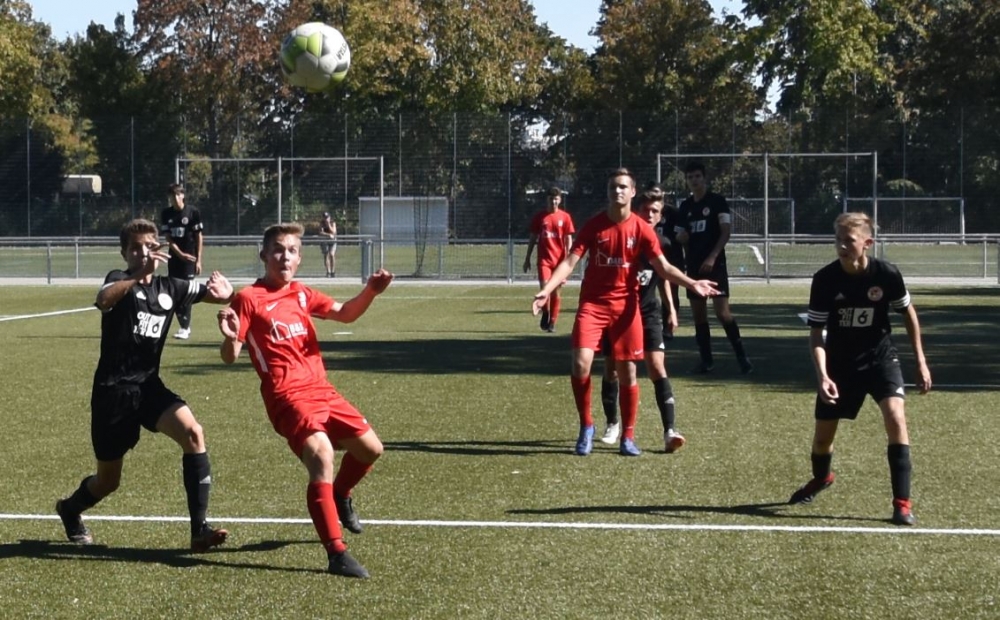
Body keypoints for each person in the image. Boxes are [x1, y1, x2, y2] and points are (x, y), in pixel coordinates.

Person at [216, 223, 393, 578]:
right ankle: (336, 553)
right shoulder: (248, 298)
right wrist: (231, 337)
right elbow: (230, 356)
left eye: (292, 251)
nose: (285, 256)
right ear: (264, 255)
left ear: (299, 258)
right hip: (286, 397)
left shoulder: (301, 293)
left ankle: (340, 494)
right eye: (278, 249)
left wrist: (371, 291)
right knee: (322, 455)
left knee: (371, 450)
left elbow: (345, 314)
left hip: (322, 390)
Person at [55, 218, 232, 552]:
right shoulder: (119, 280)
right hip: (113, 393)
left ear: (159, 249)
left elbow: (213, 294)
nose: (143, 252)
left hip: (149, 387)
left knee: (193, 433)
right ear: (124, 253)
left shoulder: (171, 287)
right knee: (108, 481)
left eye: (149, 246)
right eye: (134, 248)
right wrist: (137, 275)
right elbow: (103, 300)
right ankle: (70, 508)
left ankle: (199, 531)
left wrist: (228, 294)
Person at [532, 168, 718, 457]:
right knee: (580, 363)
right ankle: (586, 426)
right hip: (593, 305)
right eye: (613, 187)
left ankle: (628, 437)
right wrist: (547, 290)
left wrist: (692, 283)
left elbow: (663, 268)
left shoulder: (642, 229)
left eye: (622, 187)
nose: (617, 191)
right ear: (608, 192)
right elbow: (569, 262)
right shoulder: (594, 225)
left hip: (626, 309)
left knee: (628, 371)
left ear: (632, 192)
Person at [788, 212, 931, 526]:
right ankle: (822, 478)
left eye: (849, 240)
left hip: (881, 359)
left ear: (867, 243)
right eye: (838, 240)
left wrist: (920, 361)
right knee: (822, 441)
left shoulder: (886, 274)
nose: (842, 246)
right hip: (840, 365)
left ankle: (902, 504)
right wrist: (823, 375)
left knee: (896, 418)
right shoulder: (825, 280)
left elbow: (908, 313)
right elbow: (816, 334)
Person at [599, 186, 686, 453]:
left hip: (648, 313)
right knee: (613, 368)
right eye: (646, 210)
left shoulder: (663, 244)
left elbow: (664, 276)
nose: (650, 215)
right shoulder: (622, 237)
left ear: (661, 216)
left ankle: (669, 431)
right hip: (618, 313)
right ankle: (613, 423)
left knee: (657, 366)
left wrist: (671, 309)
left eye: (655, 211)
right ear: (637, 210)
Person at [676, 161, 753, 374]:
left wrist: (712, 256)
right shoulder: (685, 206)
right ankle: (706, 361)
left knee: (723, 313)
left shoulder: (717, 201)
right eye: (690, 177)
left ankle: (742, 357)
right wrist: (681, 237)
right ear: (687, 181)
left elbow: (725, 231)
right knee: (699, 316)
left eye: (697, 176)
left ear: (704, 178)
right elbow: (680, 235)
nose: (694, 180)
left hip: (715, 265)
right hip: (693, 267)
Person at [523, 187, 575, 332]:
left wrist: (569, 258)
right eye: (551, 199)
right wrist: (527, 258)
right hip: (544, 261)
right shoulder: (540, 217)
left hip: (559, 262)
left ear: (560, 200)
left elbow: (568, 239)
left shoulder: (565, 217)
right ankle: (545, 312)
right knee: (544, 288)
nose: (553, 202)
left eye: (556, 199)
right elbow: (533, 238)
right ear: (547, 200)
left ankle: (552, 322)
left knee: (556, 292)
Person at [160, 184, 203, 340]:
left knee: (186, 292)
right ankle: (184, 327)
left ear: (183, 196)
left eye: (178, 195)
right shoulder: (166, 214)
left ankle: (185, 327)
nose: (175, 198)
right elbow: (168, 238)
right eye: (172, 196)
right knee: (175, 292)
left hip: (190, 260)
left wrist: (198, 260)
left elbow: (199, 237)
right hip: (175, 259)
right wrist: (180, 254)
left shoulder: (192, 212)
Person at [319, 212, 338, 277]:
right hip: (325, 241)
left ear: (329, 217)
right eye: (325, 217)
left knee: (332, 254)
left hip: (333, 241)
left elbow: (334, 232)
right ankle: (328, 272)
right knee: (326, 255)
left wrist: (329, 224)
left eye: (327, 217)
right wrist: (328, 235)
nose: (326, 219)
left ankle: (333, 271)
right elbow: (321, 232)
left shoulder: (333, 223)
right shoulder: (322, 223)